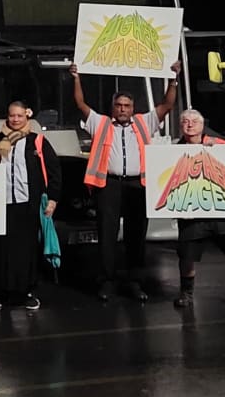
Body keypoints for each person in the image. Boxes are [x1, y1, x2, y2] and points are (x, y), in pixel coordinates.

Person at [70, 61, 180, 302]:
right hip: (108, 185)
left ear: (133, 108)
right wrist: (77, 78)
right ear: (113, 107)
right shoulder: (101, 123)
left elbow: (167, 105)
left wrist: (173, 79)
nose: (122, 109)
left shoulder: (143, 122)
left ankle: (134, 281)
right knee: (107, 235)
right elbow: (80, 103)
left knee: (136, 236)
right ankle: (107, 281)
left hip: (136, 186)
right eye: (118, 105)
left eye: (126, 106)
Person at [0, 102, 62, 310]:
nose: (15, 120)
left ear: (26, 117)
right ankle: (0, 292)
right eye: (12, 116)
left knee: (27, 250)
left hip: (28, 204)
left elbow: (54, 173)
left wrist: (52, 199)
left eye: (19, 116)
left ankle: (25, 292)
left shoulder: (38, 142)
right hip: (1, 204)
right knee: (1, 250)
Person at [172, 108, 225, 310]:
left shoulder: (220, 145)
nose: (190, 124)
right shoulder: (173, 152)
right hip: (193, 214)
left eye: (194, 121)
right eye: (185, 121)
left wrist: (219, 152)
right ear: (180, 125)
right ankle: (186, 294)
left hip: (224, 212)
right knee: (186, 256)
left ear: (203, 125)